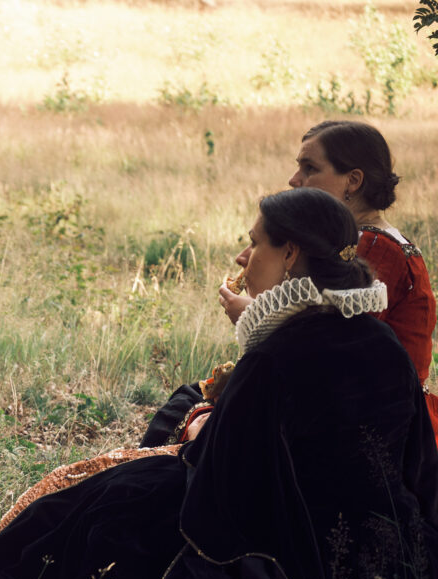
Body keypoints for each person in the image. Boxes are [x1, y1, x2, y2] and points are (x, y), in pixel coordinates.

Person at [0, 189, 438, 579]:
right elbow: (419, 470)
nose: (244, 258)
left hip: (282, 561)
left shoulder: (273, 359)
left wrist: (196, 435)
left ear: (290, 254)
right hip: (380, 560)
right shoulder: (383, 343)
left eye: (256, 244)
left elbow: (220, 494)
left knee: (81, 520)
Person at [142, 120, 438, 448]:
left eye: (310, 168)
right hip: (340, 402)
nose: (294, 180)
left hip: (376, 426)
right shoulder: (359, 239)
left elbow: (337, 351)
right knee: (192, 401)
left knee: (197, 420)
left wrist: (256, 317)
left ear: (353, 181)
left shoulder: (373, 247)